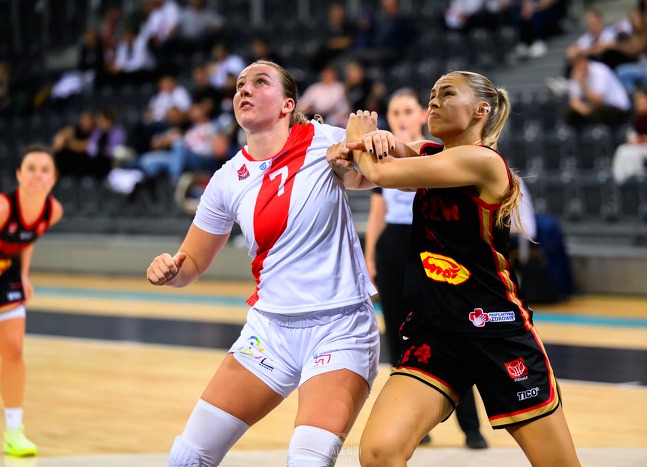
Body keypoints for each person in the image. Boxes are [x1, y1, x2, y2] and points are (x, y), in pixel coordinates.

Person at [329, 70, 580, 466]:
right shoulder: (431, 153)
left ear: (482, 109)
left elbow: (380, 172)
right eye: (432, 93)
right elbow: (359, 176)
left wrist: (357, 138)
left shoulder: (483, 161)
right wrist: (348, 155)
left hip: (495, 330)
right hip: (438, 332)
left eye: (447, 93)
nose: (434, 100)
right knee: (378, 453)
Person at [146, 60, 380, 467]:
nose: (245, 90)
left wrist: (375, 145)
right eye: (240, 84)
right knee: (187, 457)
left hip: (340, 328)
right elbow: (191, 265)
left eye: (259, 82)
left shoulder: (328, 141)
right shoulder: (226, 179)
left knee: (307, 460)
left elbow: (384, 175)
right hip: (269, 331)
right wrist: (170, 271)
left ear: (288, 104)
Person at [363, 87, 488, 450]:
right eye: (395, 112)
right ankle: (412, 422)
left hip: (431, 245)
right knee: (397, 334)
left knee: (453, 332)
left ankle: (471, 426)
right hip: (393, 246)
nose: (401, 118)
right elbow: (378, 212)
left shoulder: (436, 153)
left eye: (407, 111)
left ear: (421, 115)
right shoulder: (384, 153)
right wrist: (370, 257)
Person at [0, 145, 63, 457]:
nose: (37, 175)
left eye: (45, 170)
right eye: (31, 168)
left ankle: (13, 431)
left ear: (53, 179)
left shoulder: (53, 211)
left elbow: (28, 237)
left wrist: (23, 275)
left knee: (14, 351)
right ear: (19, 175)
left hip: (3, 275)